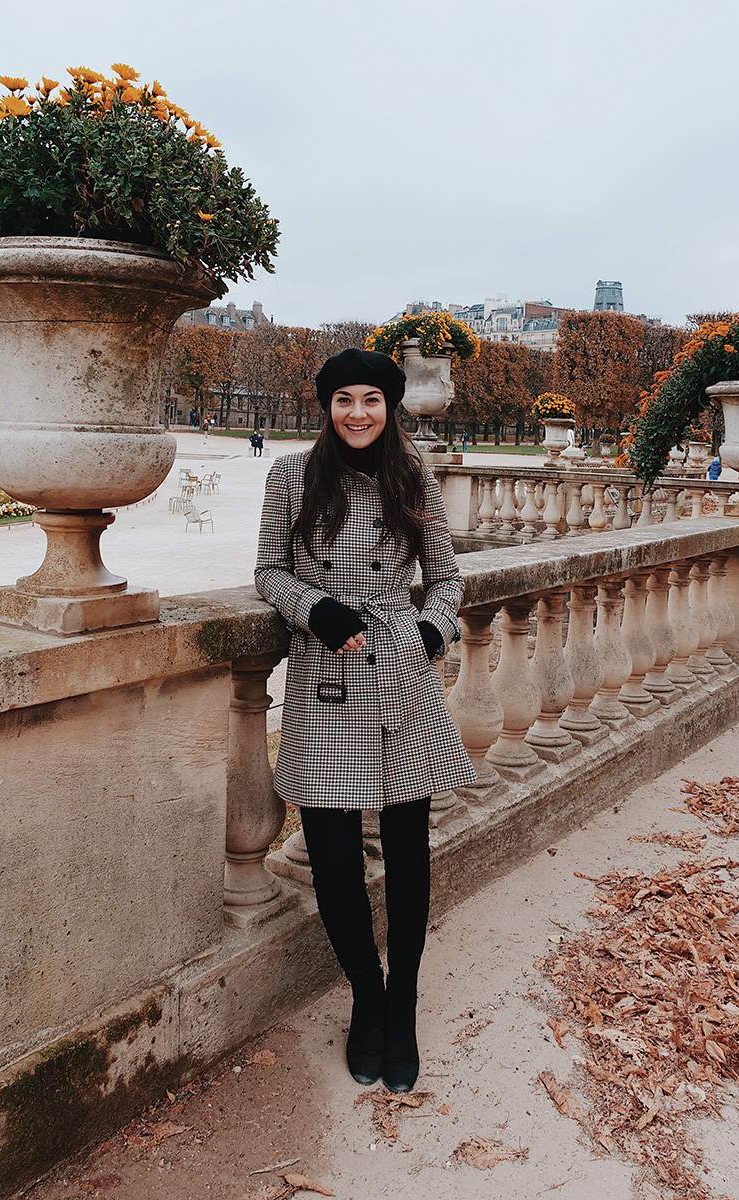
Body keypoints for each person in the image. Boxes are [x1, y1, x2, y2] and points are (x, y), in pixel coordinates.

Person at [254, 349, 476, 1093]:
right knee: (335, 858)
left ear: (390, 405)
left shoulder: (414, 476)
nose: (357, 412)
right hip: (326, 678)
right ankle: (368, 995)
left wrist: (429, 632)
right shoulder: (291, 475)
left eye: (371, 399)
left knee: (409, 852)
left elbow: (445, 577)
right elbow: (268, 570)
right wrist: (311, 608)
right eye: (344, 398)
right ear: (326, 406)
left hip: (401, 672)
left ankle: (403, 999)